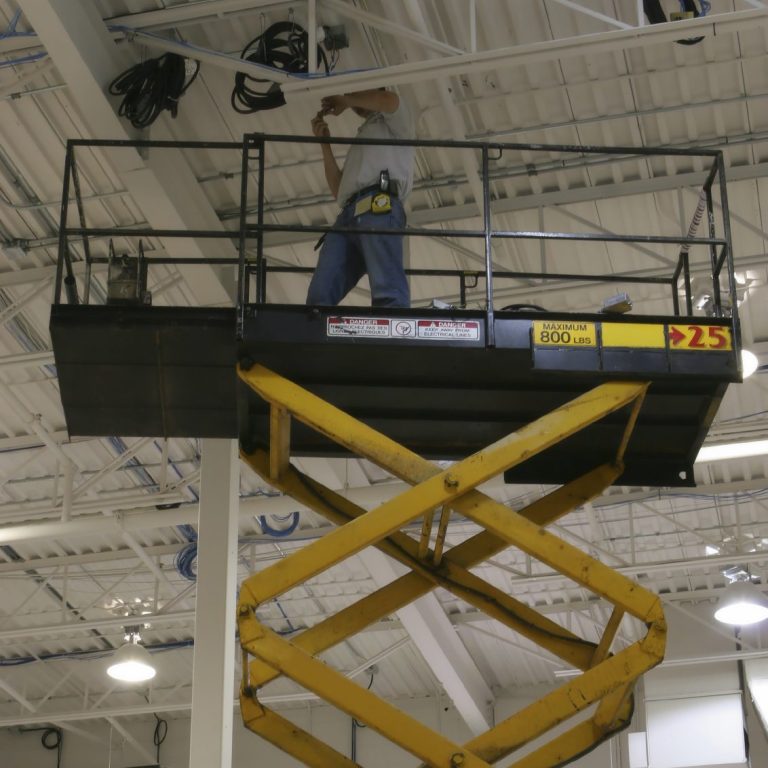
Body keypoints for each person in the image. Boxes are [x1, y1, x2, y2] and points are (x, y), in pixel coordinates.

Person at [306, 88, 415, 308]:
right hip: (349, 212)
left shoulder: (396, 121)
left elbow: (387, 100)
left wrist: (346, 100)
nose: (355, 103)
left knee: (387, 291)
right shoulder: (364, 137)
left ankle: (392, 322)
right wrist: (325, 144)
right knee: (319, 296)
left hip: (379, 204)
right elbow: (339, 190)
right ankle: (314, 321)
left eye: (358, 92)